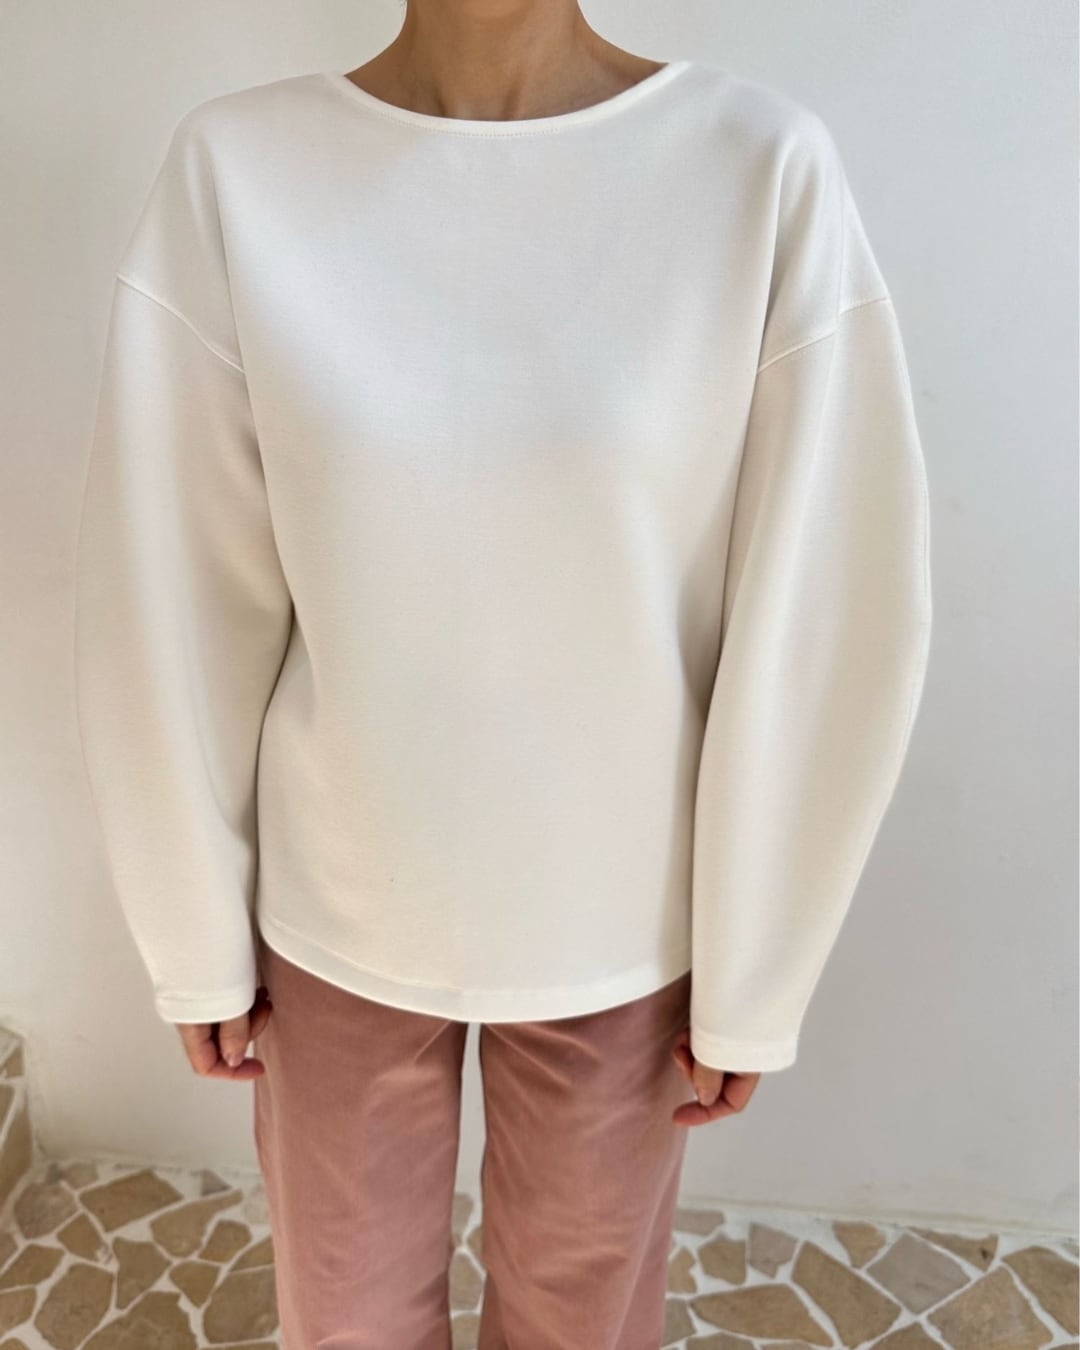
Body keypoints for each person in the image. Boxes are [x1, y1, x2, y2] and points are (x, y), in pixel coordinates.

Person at [73, 4, 932, 1346]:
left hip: (624, 926)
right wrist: (190, 928)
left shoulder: (756, 169)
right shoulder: (238, 171)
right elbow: (172, 579)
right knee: (344, 1325)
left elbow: (823, 592)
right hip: (338, 911)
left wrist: (758, 961)